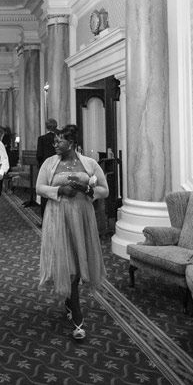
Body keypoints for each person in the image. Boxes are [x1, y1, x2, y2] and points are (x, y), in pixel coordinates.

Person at [35, 124, 108, 341]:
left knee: (77, 260)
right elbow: (39, 188)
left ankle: (70, 299)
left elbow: (104, 190)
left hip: (83, 218)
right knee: (69, 266)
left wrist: (87, 189)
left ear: (72, 143)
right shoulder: (49, 164)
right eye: (54, 140)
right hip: (58, 217)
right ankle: (77, 316)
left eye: (59, 141)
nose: (55, 144)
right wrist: (59, 190)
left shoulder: (89, 163)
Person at [34, 118, 58, 211]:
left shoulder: (42, 139)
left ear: (46, 127)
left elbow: (39, 155)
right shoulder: (58, 138)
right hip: (58, 167)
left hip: (45, 167)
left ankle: (45, 218)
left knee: (45, 191)